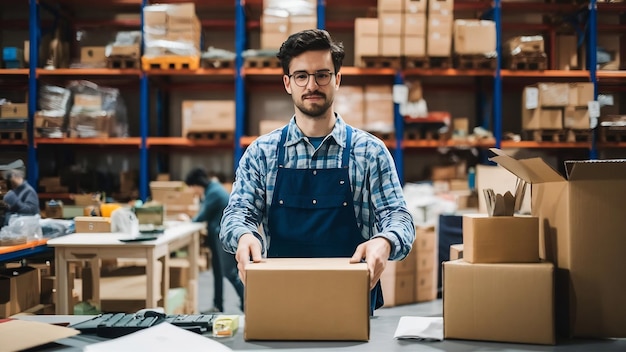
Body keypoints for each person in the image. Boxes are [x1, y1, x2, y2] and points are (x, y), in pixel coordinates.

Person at [219, 29, 416, 313]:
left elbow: (398, 217)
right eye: (301, 76)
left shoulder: (370, 152)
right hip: (279, 300)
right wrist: (244, 236)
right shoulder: (262, 153)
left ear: (337, 79)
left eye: (322, 75)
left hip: (351, 304)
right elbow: (237, 213)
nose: (312, 85)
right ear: (288, 83)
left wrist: (384, 241)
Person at [184, 168, 244, 313]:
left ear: (197, 184)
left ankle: (248, 302)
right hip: (217, 236)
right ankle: (218, 305)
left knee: (229, 273)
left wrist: (188, 219)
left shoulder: (214, 192)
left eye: (192, 187)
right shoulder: (211, 190)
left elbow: (201, 216)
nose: (193, 191)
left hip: (222, 237)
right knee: (218, 272)